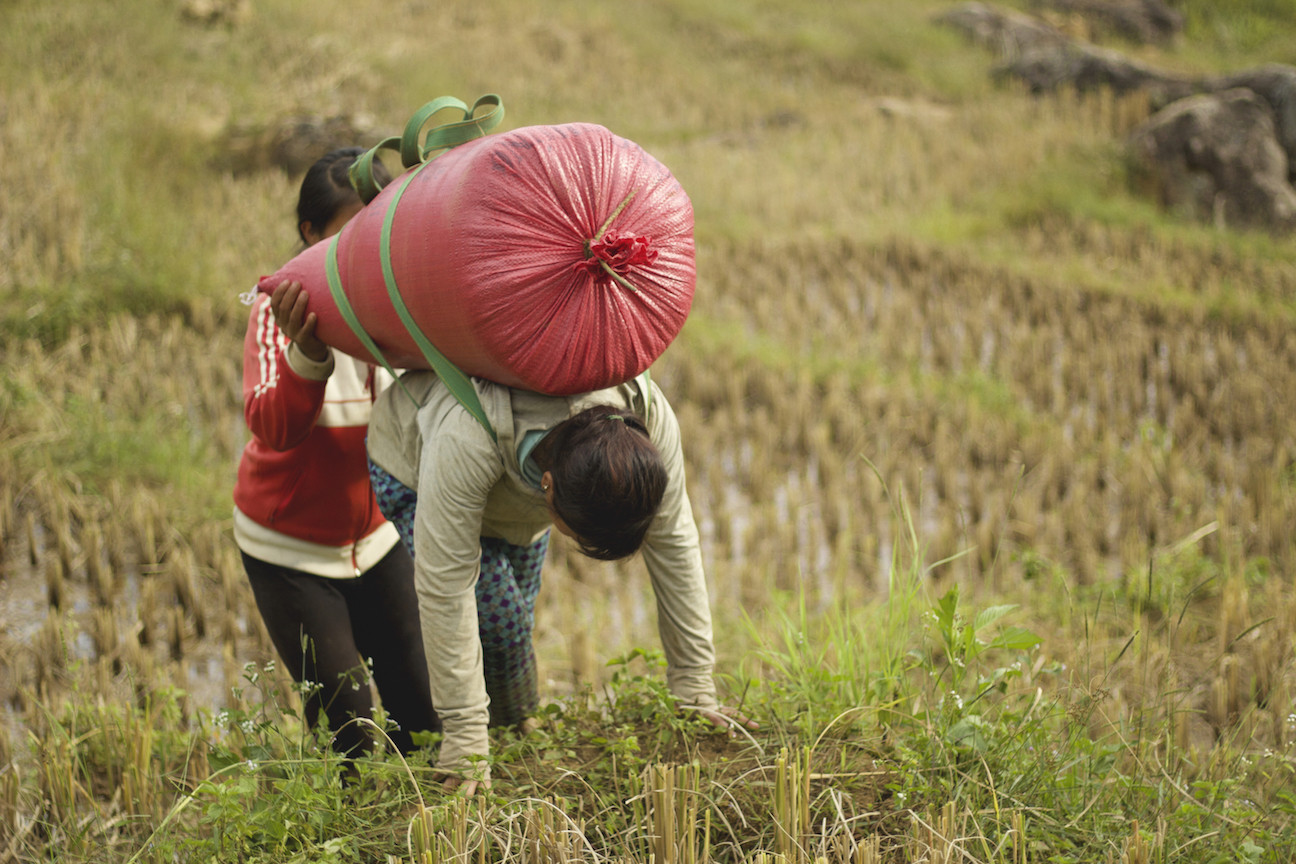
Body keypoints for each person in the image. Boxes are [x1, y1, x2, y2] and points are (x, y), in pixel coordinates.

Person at [365, 367, 756, 791]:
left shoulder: (645, 422)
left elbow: (675, 544)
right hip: (415, 465)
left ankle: (512, 730)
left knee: (515, 622)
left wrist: (695, 687)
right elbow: (446, 586)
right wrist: (465, 740)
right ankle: (494, 732)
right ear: (548, 488)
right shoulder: (467, 438)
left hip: (515, 496)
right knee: (503, 621)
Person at [233, 147, 439, 757]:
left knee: (423, 713)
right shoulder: (280, 315)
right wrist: (309, 356)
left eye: (379, 229)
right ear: (309, 235)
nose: (365, 250)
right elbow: (273, 426)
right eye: (348, 234)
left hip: (376, 539)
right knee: (349, 723)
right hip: (289, 548)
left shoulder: (400, 310)